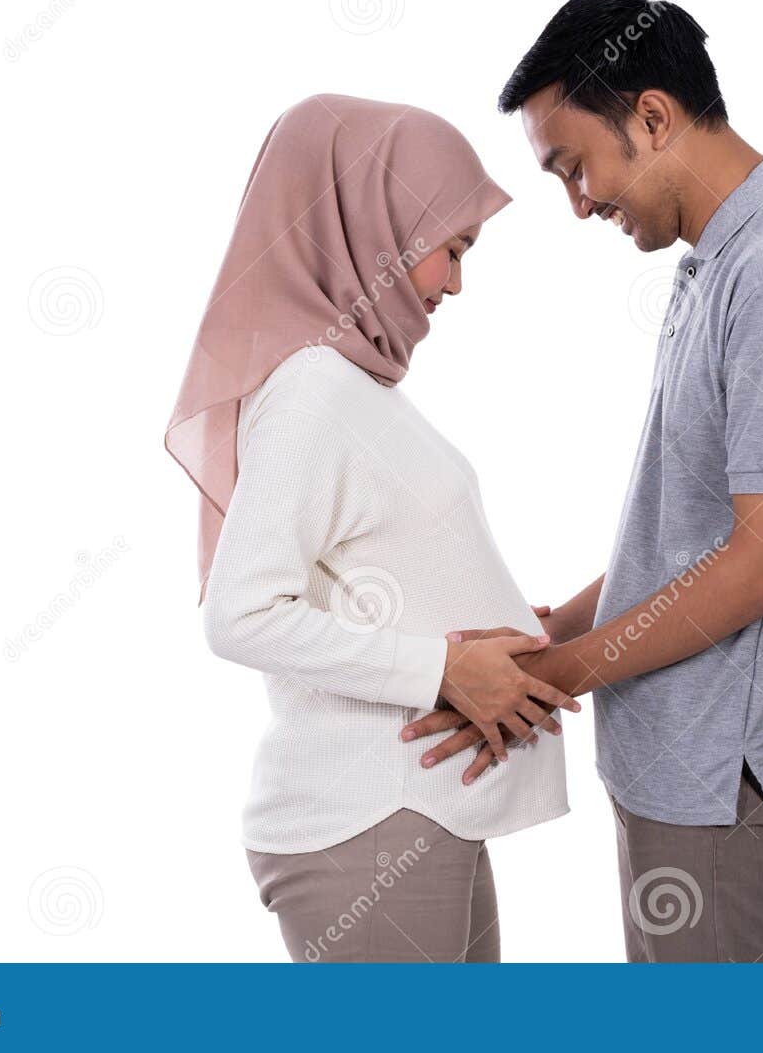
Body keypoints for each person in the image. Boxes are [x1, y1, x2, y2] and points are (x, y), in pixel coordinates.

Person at [405, 0, 763, 963]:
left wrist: (554, 677)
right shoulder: (718, 261)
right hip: (687, 773)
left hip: (722, 784)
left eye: (576, 166)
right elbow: (689, 533)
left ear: (652, 116)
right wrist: (552, 630)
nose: (579, 204)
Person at [165, 94, 578, 963]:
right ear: (373, 226)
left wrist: (486, 631)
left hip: (415, 817)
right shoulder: (313, 391)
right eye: (452, 249)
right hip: (369, 826)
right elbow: (239, 613)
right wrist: (445, 667)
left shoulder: (353, 390)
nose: (456, 283)